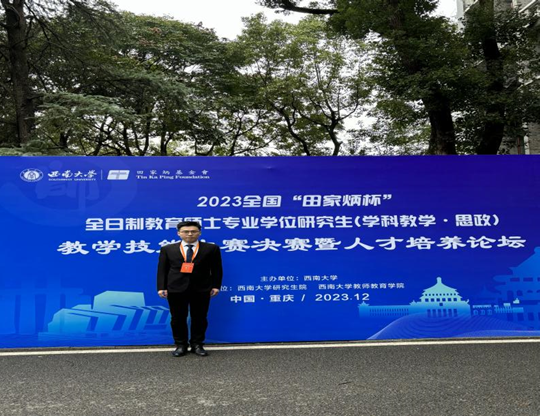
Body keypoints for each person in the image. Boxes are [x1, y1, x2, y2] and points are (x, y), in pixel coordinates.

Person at [157, 221, 223, 357]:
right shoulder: (167, 249)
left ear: (199, 233)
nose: (190, 234)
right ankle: (180, 345)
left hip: (201, 288)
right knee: (177, 318)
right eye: (186, 231)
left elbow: (217, 269)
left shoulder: (211, 248)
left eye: (193, 231)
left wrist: (216, 285)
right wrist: (161, 287)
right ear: (179, 233)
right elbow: (162, 269)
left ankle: (197, 344)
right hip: (175, 288)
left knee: (200, 318)